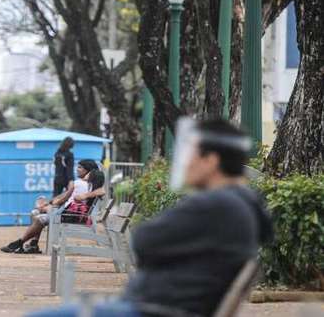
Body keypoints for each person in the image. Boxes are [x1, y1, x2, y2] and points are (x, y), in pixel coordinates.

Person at [28, 119, 273, 317]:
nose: (183, 164)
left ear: (211, 161)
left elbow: (143, 241)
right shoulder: (244, 204)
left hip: (154, 310)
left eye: (189, 155)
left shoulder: (215, 203)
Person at [1, 159, 105, 255]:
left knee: (38, 217)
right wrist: (50, 204)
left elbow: (63, 199)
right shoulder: (92, 185)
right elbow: (65, 197)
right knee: (36, 214)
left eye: (80, 167)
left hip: (70, 215)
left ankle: (20, 242)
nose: (77, 169)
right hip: (72, 214)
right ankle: (33, 244)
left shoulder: (79, 183)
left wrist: (50, 205)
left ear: (88, 171)